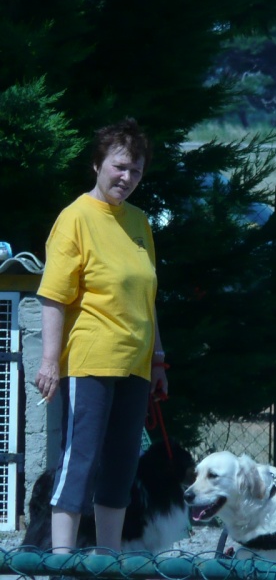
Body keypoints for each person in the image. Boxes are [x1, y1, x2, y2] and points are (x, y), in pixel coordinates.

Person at [35, 118, 169, 553]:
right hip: (91, 360)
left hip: (135, 364)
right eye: (120, 166)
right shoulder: (74, 218)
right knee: (81, 462)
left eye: (136, 171)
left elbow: (147, 296)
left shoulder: (139, 223)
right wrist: (50, 362)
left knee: (121, 468)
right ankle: (62, 558)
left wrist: (158, 359)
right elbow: (54, 296)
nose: (127, 178)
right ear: (98, 164)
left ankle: (109, 560)